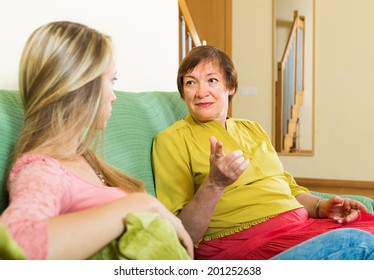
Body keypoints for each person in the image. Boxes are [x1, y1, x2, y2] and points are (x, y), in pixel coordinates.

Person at [152, 45, 374, 260]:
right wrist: (214, 184)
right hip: (246, 244)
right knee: (361, 242)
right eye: (191, 82)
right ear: (183, 92)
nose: (201, 92)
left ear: (230, 87)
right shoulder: (171, 140)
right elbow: (182, 234)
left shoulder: (252, 128)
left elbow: (288, 187)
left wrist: (321, 207)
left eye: (212, 80)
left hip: (299, 227)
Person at [0, 21, 193, 260]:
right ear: (80, 85)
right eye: (111, 80)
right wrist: (141, 203)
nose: (113, 97)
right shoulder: (40, 169)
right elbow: (18, 241)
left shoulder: (82, 157)